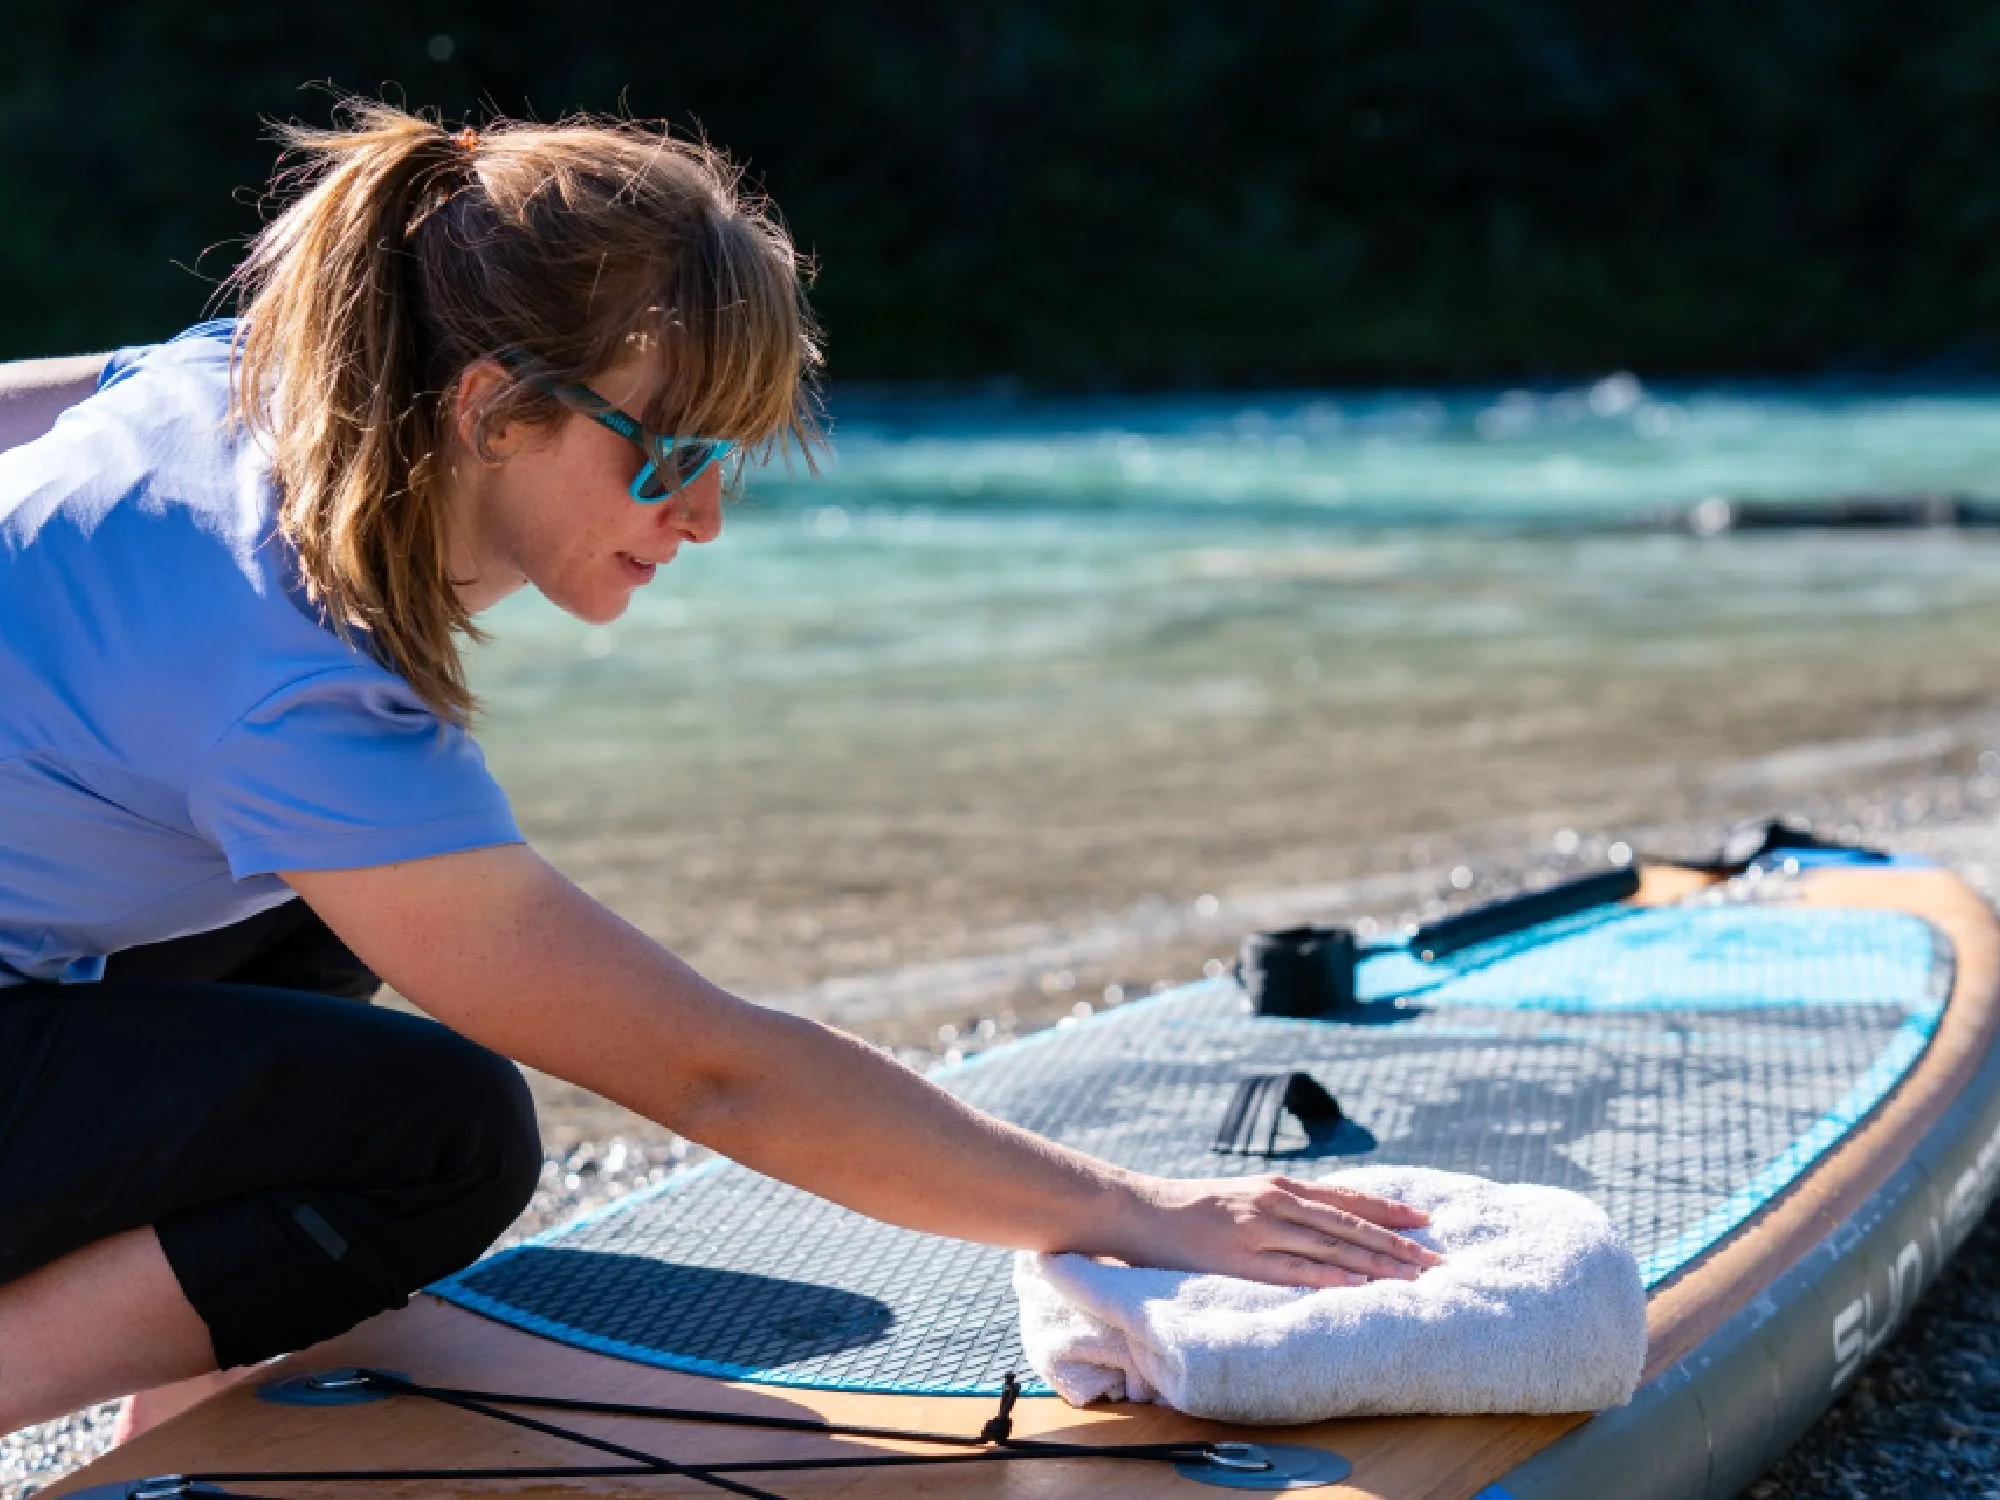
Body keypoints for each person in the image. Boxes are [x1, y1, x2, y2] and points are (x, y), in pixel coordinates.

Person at [0, 100, 1439, 1441]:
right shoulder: (292, 664)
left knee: (340, 897)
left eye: (727, 461)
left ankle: (189, 1385)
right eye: (670, 453)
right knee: (443, 1135)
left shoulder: (251, 381)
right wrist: (1145, 1214)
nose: (702, 518)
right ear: (497, 408)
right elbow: (714, 1073)